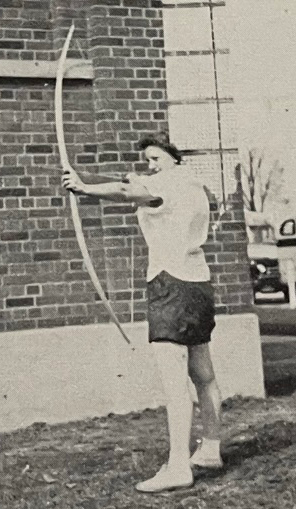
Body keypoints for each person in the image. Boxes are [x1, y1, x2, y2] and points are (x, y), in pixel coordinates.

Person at [62, 131, 223, 493]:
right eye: (148, 159)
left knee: (174, 380)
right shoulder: (195, 186)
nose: (150, 165)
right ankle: (210, 449)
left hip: (170, 284)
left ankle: (179, 466)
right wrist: (134, 181)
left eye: (156, 158)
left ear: (173, 157)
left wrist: (84, 187)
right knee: (203, 374)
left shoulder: (166, 183)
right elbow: (137, 187)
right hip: (198, 283)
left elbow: (125, 191)